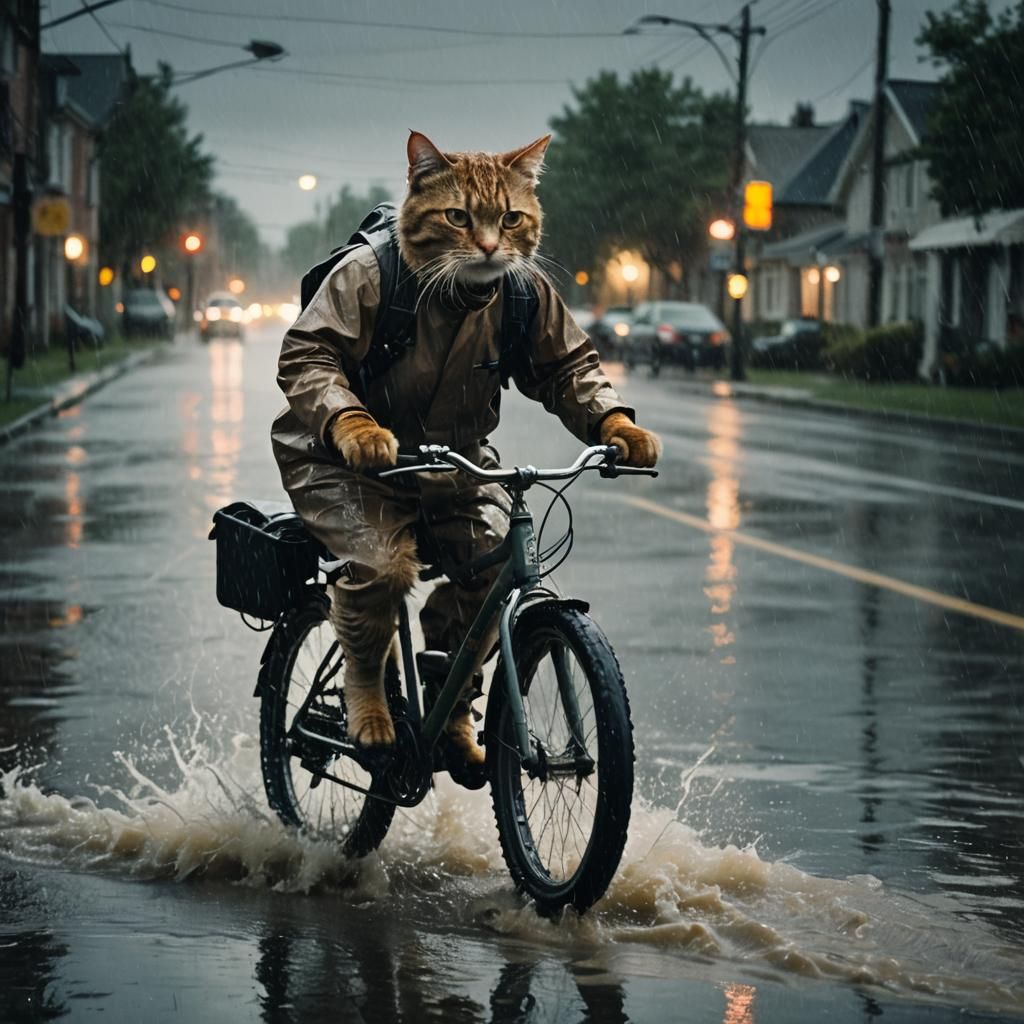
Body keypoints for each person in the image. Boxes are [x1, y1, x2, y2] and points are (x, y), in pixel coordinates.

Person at [271, 131, 661, 764]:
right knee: (383, 566)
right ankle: (365, 682)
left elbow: (568, 365)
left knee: (491, 571)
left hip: (449, 460)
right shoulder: (373, 272)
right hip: (340, 457)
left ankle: (451, 706)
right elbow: (307, 355)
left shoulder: (521, 288)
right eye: (459, 220)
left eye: (507, 222)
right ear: (419, 193)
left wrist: (611, 420)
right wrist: (349, 421)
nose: (486, 242)